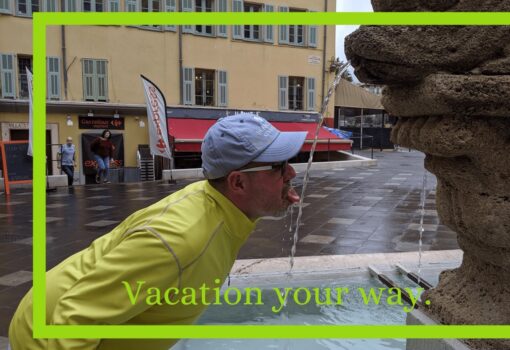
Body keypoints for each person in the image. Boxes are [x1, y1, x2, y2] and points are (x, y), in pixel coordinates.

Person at [8, 113, 307, 349]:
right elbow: (73, 322)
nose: (291, 173)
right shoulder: (179, 241)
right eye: (279, 167)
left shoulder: (221, 209)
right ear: (238, 183)